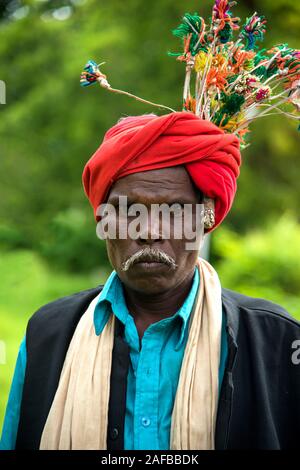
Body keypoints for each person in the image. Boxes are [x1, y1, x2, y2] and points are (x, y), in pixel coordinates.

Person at [1, 0, 299, 451]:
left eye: (173, 210)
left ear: (205, 218)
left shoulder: (277, 339)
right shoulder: (49, 334)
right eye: (129, 210)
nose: (148, 229)